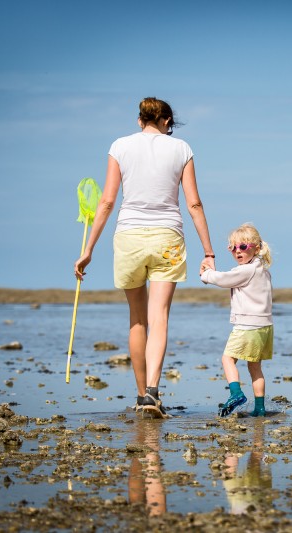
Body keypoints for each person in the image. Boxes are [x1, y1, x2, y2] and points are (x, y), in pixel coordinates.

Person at [74, 97, 215, 416]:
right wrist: (208, 251)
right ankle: (153, 391)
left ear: (140, 121)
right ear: (166, 122)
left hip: (129, 237)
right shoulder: (181, 148)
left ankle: (141, 396)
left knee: (137, 320)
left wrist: (88, 250)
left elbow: (108, 201)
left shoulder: (120, 146)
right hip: (168, 237)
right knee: (159, 317)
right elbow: (194, 204)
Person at [200, 223, 273, 417]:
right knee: (255, 367)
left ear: (256, 248)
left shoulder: (246, 271)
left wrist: (206, 274)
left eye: (243, 247)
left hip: (247, 326)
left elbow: (223, 279)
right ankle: (260, 408)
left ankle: (236, 393)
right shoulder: (264, 271)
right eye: (233, 248)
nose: (237, 252)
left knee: (227, 358)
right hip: (265, 327)